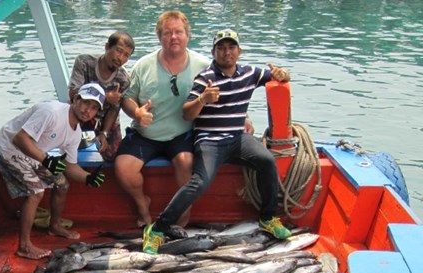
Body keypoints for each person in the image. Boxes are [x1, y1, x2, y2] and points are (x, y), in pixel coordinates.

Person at [142, 29, 293, 254]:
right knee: (200, 182)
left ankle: (268, 217)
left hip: (237, 138)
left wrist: (282, 74)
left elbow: (276, 76)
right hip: (209, 140)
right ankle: (157, 228)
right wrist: (203, 99)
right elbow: (187, 113)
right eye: (221, 48)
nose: (226, 52)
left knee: (266, 160)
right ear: (214, 52)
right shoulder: (206, 78)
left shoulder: (250, 73)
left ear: (239, 51)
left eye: (231, 47)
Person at [114, 11, 209, 228]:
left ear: (187, 35)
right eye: (167, 33)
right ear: (159, 37)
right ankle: (142, 204)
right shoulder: (143, 65)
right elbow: (126, 99)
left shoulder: (203, 65)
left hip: (181, 134)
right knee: (123, 167)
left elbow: (223, 93)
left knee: (186, 163)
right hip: (146, 134)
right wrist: (137, 113)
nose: (173, 37)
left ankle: (181, 219)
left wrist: (245, 118)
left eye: (178, 32)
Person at [0, 82, 108, 260]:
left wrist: (89, 178)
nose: (87, 110)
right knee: (36, 192)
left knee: (62, 184)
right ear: (75, 99)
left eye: (93, 108)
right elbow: (20, 139)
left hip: (32, 153)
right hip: (9, 146)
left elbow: (70, 166)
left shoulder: (75, 133)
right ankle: (24, 246)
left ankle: (54, 226)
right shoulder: (51, 112)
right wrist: (46, 159)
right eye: (85, 103)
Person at [68, 31, 135, 161]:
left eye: (126, 55)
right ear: (107, 46)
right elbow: (74, 93)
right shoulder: (84, 62)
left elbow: (114, 109)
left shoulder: (123, 79)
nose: (120, 58)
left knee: (114, 155)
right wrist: (104, 97)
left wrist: (104, 133)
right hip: (80, 110)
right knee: (67, 143)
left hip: (104, 118)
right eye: (118, 51)